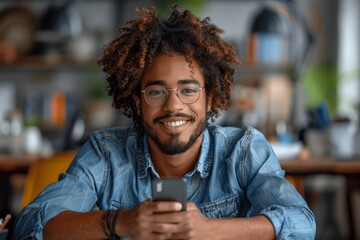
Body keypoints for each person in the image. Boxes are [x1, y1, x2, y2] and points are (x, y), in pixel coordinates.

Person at [15, 5, 316, 240]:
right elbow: (31, 225)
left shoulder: (243, 151)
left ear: (210, 99)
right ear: (137, 102)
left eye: (188, 90)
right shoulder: (106, 154)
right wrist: (120, 222)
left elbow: (302, 225)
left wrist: (211, 231)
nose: (174, 106)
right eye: (157, 91)